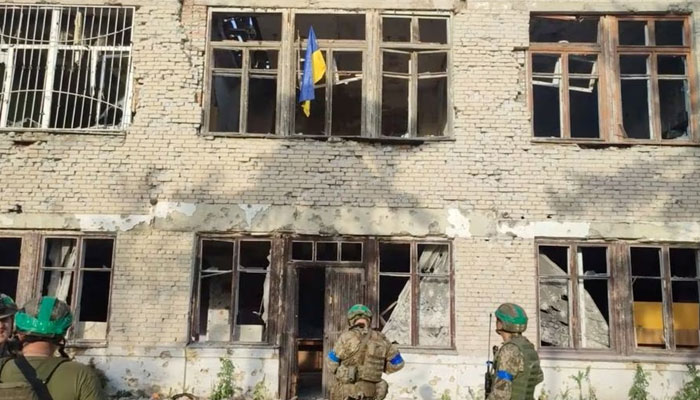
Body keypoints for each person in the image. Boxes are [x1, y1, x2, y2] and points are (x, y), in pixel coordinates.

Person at [0, 296, 107, 400]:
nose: (1, 325)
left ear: (20, 332)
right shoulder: (82, 376)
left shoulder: (4, 366)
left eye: (4, 319)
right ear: (62, 335)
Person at [326, 304, 404, 400]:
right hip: (372, 393)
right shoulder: (382, 339)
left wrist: (343, 372)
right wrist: (379, 368)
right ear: (369, 319)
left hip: (347, 394)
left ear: (351, 320)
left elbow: (331, 363)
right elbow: (398, 363)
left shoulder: (346, 337)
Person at [487, 303, 544, 400]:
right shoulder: (528, 346)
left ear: (502, 323)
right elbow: (539, 377)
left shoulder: (509, 350)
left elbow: (501, 393)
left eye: (498, 320)